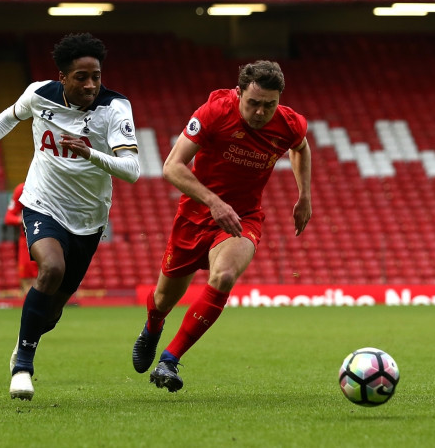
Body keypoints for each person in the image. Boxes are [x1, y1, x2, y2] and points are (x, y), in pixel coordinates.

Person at [0, 32, 140, 400]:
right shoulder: (39, 94)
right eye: (81, 77)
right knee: (50, 269)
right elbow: (5, 118)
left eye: (96, 75)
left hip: (89, 218)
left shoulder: (115, 108)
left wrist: (90, 153)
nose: (91, 84)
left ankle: (24, 339)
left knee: (51, 314)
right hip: (42, 202)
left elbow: (131, 170)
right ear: (62, 77)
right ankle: (23, 368)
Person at [132, 60, 312, 392]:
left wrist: (304, 195)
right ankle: (153, 328)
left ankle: (169, 360)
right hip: (195, 216)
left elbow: (300, 147)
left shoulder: (289, 124)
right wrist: (214, 202)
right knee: (163, 299)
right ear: (239, 92)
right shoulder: (214, 112)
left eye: (269, 105)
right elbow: (172, 167)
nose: (260, 112)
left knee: (225, 276)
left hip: (244, 217)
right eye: (253, 103)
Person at [3, 181, 38, 296]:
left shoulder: (54, 187)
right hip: (27, 241)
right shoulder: (22, 189)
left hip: (52, 239)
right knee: (28, 282)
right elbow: (9, 217)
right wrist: (22, 220)